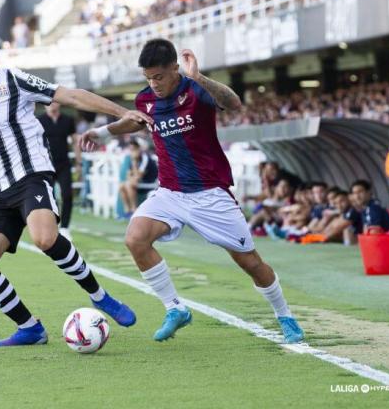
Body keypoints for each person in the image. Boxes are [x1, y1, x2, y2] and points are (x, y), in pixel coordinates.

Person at [0, 26, 151, 347]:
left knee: (45, 238)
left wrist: (122, 110)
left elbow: (71, 95)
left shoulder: (14, 80)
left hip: (32, 175)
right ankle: (30, 327)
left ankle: (100, 297)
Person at [81, 39, 303, 343]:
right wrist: (101, 132)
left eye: (159, 76)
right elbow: (137, 123)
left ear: (175, 68)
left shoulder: (196, 91)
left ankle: (285, 316)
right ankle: (175, 309)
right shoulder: (146, 99)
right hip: (170, 193)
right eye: (148, 77)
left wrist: (199, 78)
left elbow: (235, 103)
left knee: (250, 262)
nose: (154, 84)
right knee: (135, 239)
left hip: (210, 193)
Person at [36, 101, 81, 240]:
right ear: (44, 105)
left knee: (67, 195)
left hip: (64, 164)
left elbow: (75, 141)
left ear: (59, 104)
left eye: (54, 102)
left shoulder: (68, 120)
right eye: (48, 103)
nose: (51, 105)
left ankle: (65, 227)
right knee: (50, 198)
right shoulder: (39, 120)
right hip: (46, 164)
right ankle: (52, 226)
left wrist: (79, 162)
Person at [119, 138, 158, 218]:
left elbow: (138, 176)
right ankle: (127, 211)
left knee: (129, 185)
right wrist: (134, 162)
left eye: (134, 149)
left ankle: (134, 210)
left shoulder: (145, 158)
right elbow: (128, 175)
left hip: (150, 183)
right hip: (140, 182)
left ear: (139, 148)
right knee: (122, 185)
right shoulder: (133, 159)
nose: (132, 151)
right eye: (131, 149)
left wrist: (134, 162)